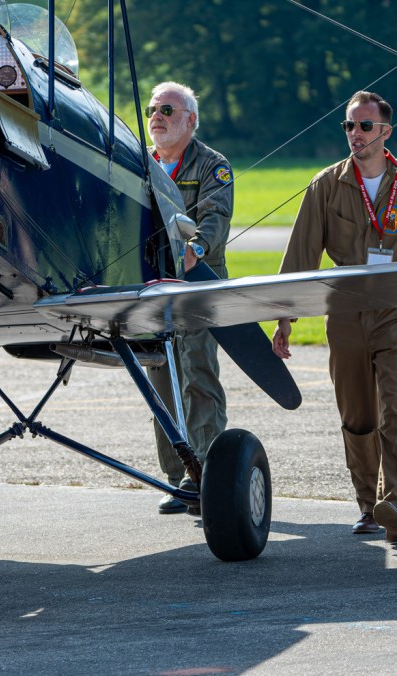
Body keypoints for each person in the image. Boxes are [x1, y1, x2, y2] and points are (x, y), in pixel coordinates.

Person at [271, 91, 397, 544]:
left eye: (364, 126)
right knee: (357, 414)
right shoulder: (325, 184)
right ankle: (367, 506)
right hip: (344, 312)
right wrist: (285, 318)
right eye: (349, 126)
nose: (355, 134)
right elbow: (301, 254)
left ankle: (394, 503)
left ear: (385, 131)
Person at [144, 82, 233, 515]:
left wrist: (194, 248)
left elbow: (216, 217)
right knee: (161, 384)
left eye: (167, 109)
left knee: (197, 377)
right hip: (151, 292)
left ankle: (207, 475)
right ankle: (177, 476)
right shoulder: (139, 163)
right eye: (152, 109)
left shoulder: (213, 165)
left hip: (196, 287)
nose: (156, 116)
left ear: (191, 120)